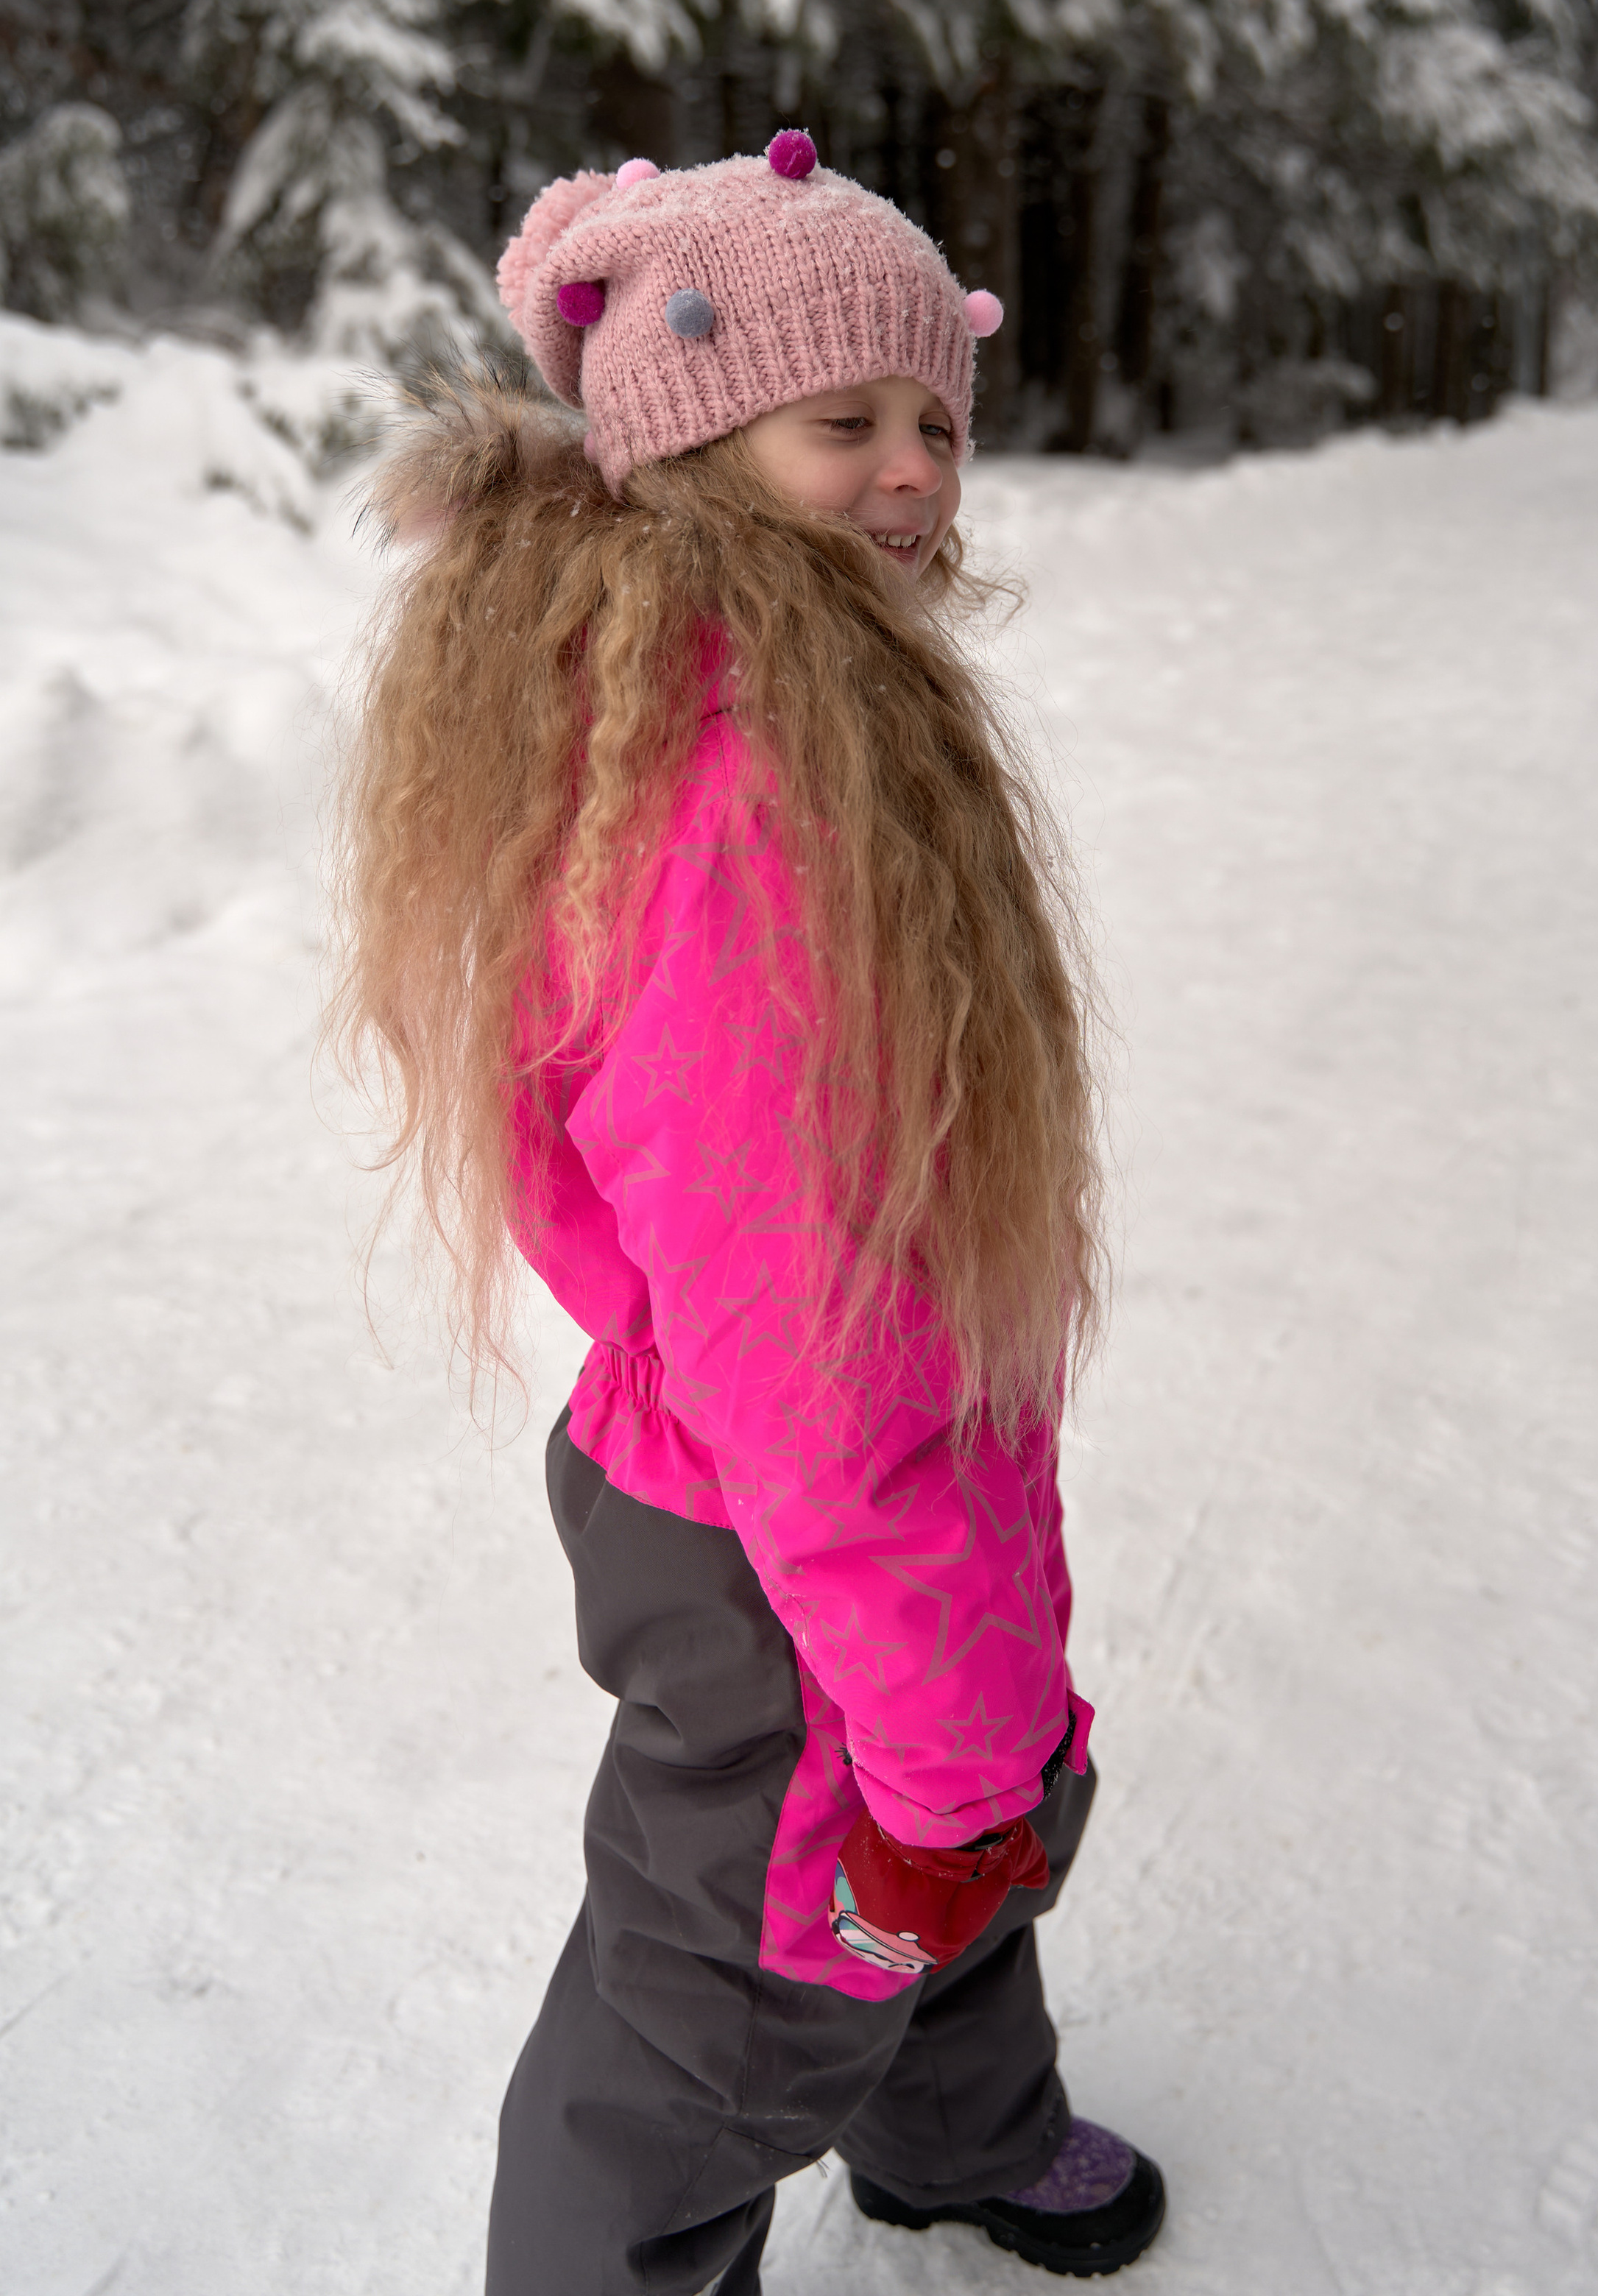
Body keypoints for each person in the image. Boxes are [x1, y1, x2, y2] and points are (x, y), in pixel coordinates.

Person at [330, 131, 1166, 2293]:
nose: (907, 473)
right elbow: (813, 1348)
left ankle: (958, 2130)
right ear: (696, 443)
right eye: (839, 425)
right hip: (789, 1521)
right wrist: (939, 1761)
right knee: (738, 1978)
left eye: (927, 421)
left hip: (796, 1473)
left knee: (948, 1859)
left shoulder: (774, 684)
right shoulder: (741, 807)